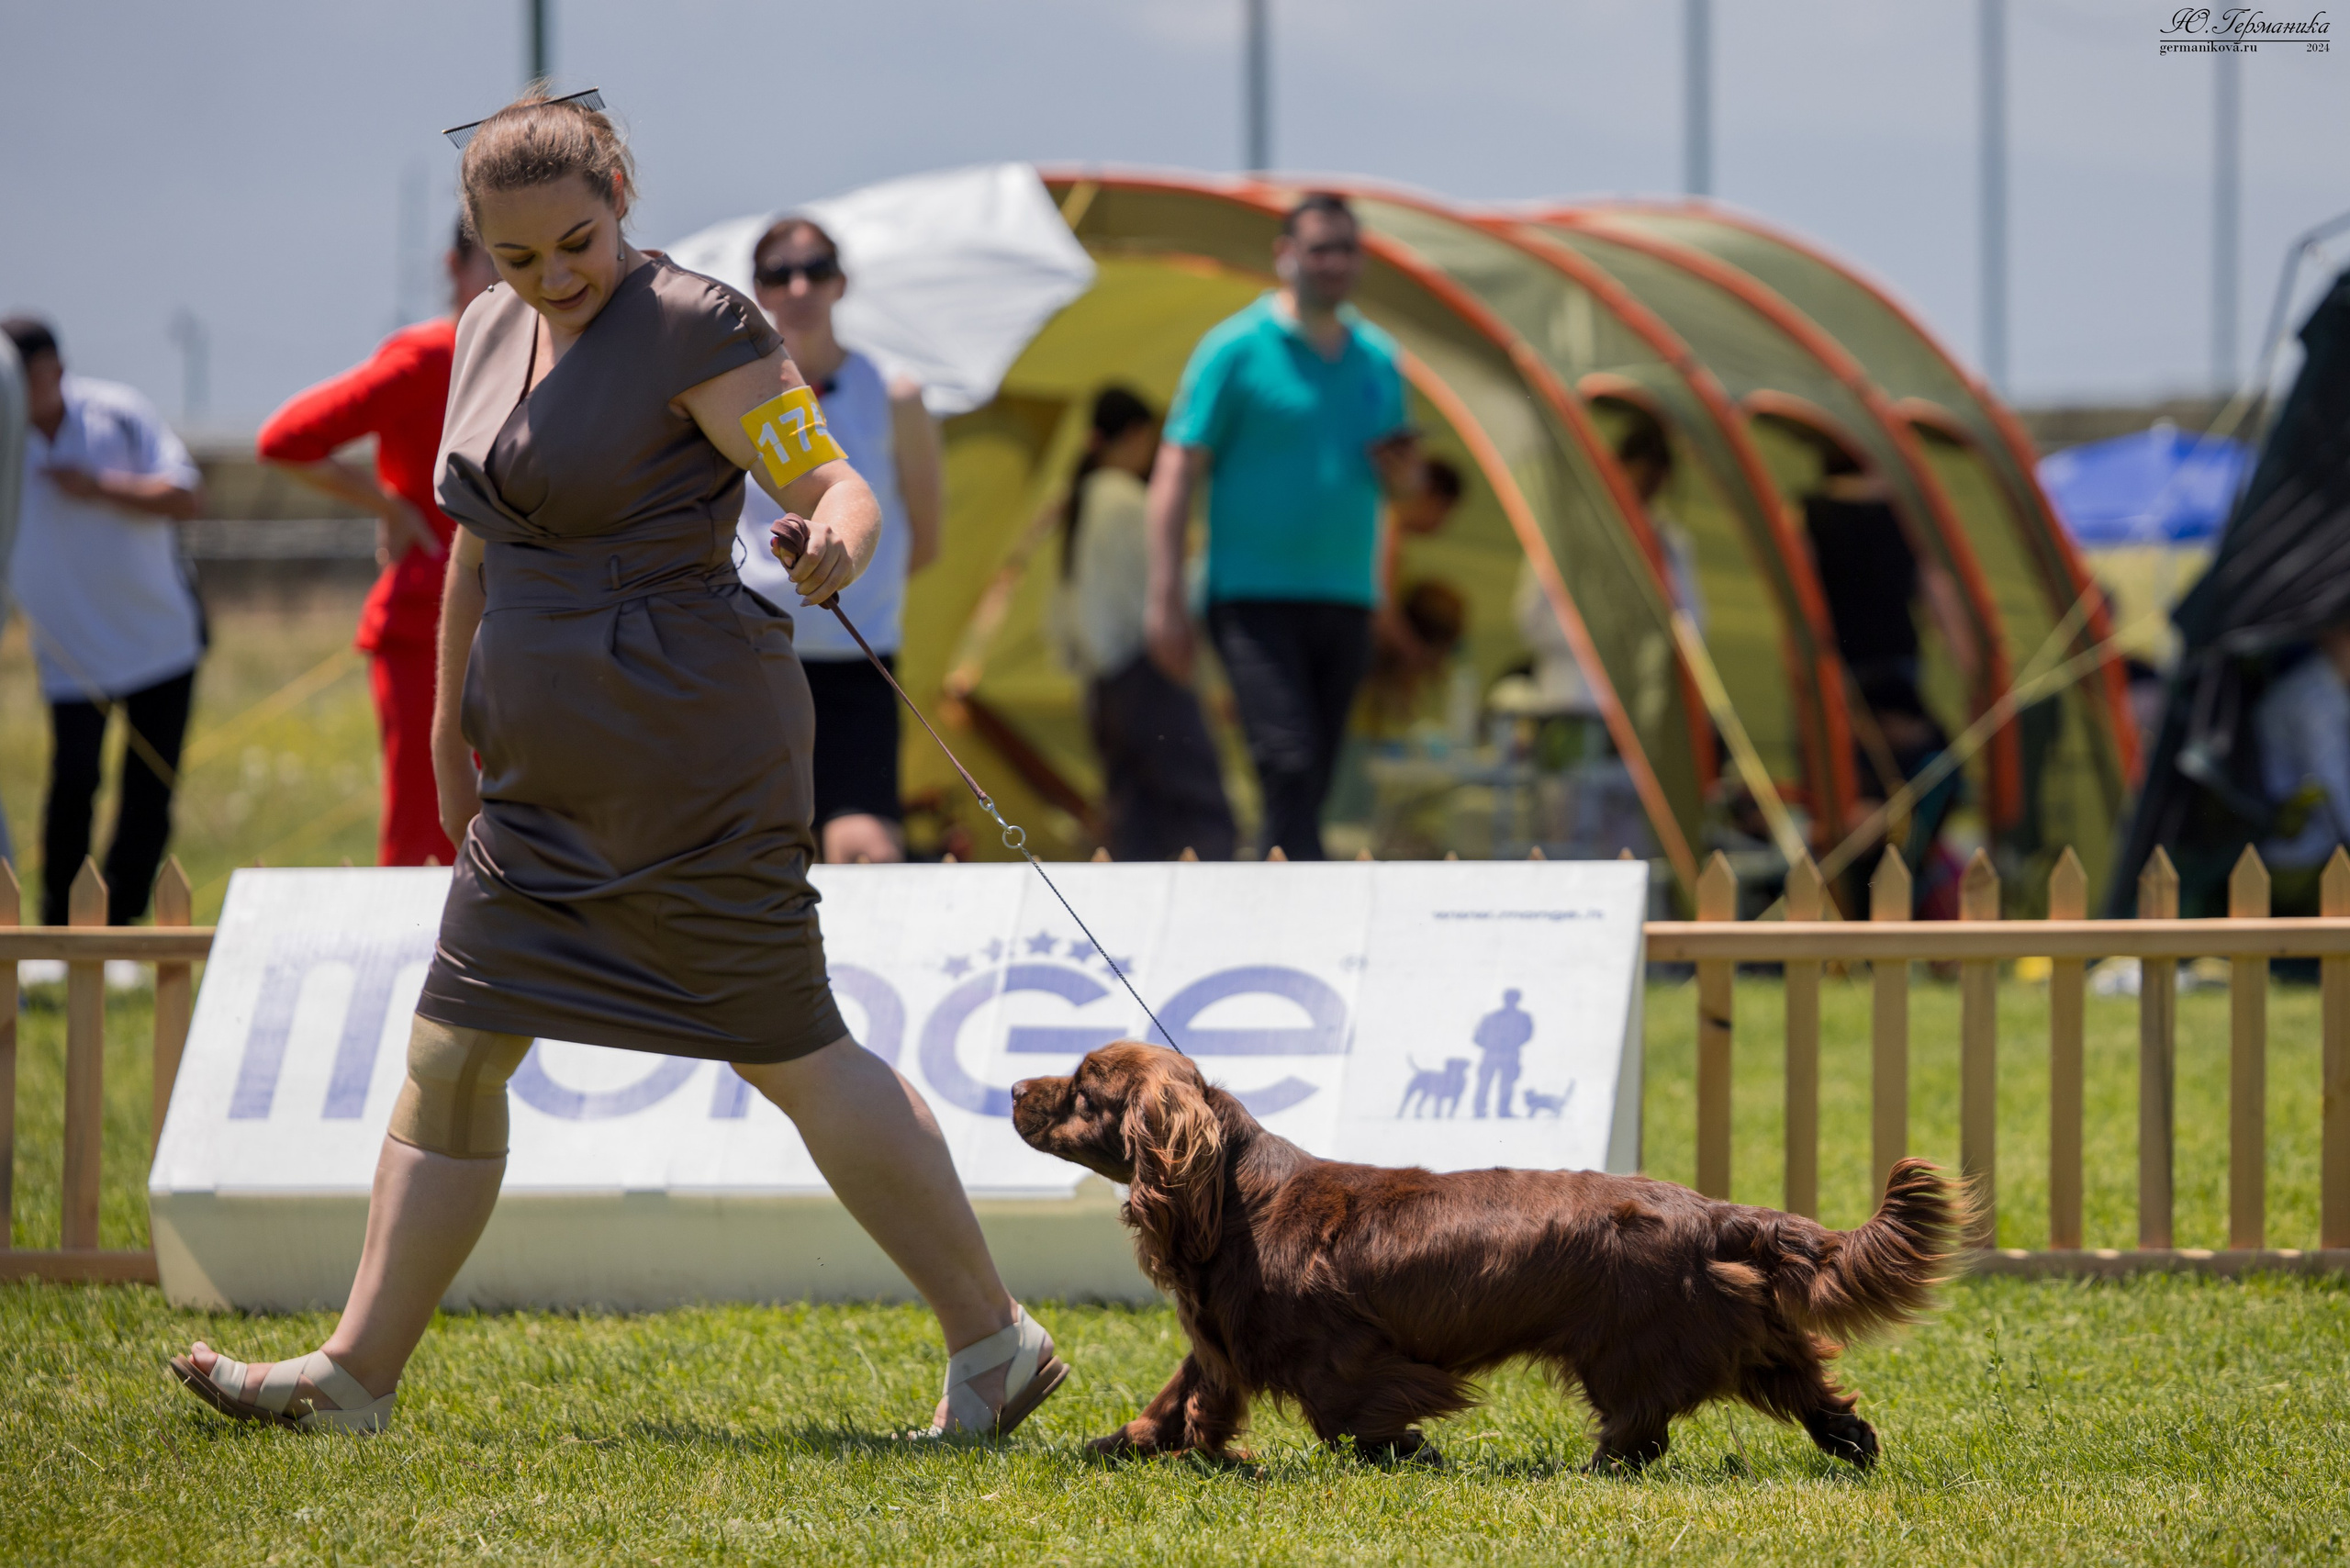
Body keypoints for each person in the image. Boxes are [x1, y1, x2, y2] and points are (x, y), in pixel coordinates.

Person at [170, 90, 1061, 1439]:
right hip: (535, 769)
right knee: (452, 1049)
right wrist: (449, 737)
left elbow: (833, 484)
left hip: (689, 757)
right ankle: (354, 1374)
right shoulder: (486, 330)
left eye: (577, 243)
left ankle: (992, 1341)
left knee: (790, 1045)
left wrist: (833, 545)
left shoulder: (700, 325)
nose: (553, 278)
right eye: (517, 256)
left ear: (623, 195)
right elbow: (476, 546)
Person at [1146, 192, 1419, 861]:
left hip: (1347, 594)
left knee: (1313, 774)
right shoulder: (1235, 350)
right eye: (1320, 249)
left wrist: (1404, 475)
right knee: (1286, 758)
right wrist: (1164, 595)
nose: (1335, 264)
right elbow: (1178, 467)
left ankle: (1270, 879)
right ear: (1285, 255)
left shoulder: (1380, 358)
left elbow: (1403, 488)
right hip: (1251, 594)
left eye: (1347, 250)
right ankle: (1300, 886)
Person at [255, 222, 501, 867]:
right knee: (429, 828)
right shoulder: (429, 357)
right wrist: (390, 503)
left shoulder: (546, 353)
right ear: (455, 267)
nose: (510, 277)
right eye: (496, 259)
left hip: (523, 623)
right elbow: (285, 438)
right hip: (426, 625)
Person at [732, 216, 944, 865]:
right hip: (755, 658)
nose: (799, 287)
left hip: (860, 660)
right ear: (759, 291)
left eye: (816, 269)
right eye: (779, 274)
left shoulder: (895, 393)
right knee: (762, 856)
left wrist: (847, 586)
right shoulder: (730, 393)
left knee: (868, 853)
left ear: (841, 283)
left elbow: (925, 540)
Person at [4, 316, 206, 925]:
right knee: (72, 787)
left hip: (159, 643)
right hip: (69, 656)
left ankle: (120, 930)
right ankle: (59, 932)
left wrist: (97, 486)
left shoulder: (118, 412)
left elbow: (186, 495)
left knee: (148, 794)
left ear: (55, 371)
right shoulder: (5, 439)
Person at [1050, 386, 1236, 861]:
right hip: (1147, 674)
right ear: (1136, 435)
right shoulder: (1128, 502)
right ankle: (1216, 899)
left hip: (1104, 685)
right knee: (1202, 811)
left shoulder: (1083, 499)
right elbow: (1168, 594)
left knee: (1136, 819)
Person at [2255, 624, 2350, 900]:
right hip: (2300, 852)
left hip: (2315, 843)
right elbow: (2332, 785)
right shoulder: (2313, 699)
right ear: (2331, 637)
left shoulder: (2326, 688)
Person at [1472, 988, 1533, 1119]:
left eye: (1513, 998)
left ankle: (1503, 1110)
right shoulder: (1491, 1017)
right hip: (1493, 1054)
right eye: (1509, 998)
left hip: (1509, 1055)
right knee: (1485, 1083)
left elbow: (1527, 1034)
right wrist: (1491, 1045)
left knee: (1507, 1084)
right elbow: (1477, 1036)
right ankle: (1480, 1111)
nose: (1511, 1001)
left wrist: (1512, 1044)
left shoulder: (1523, 1018)